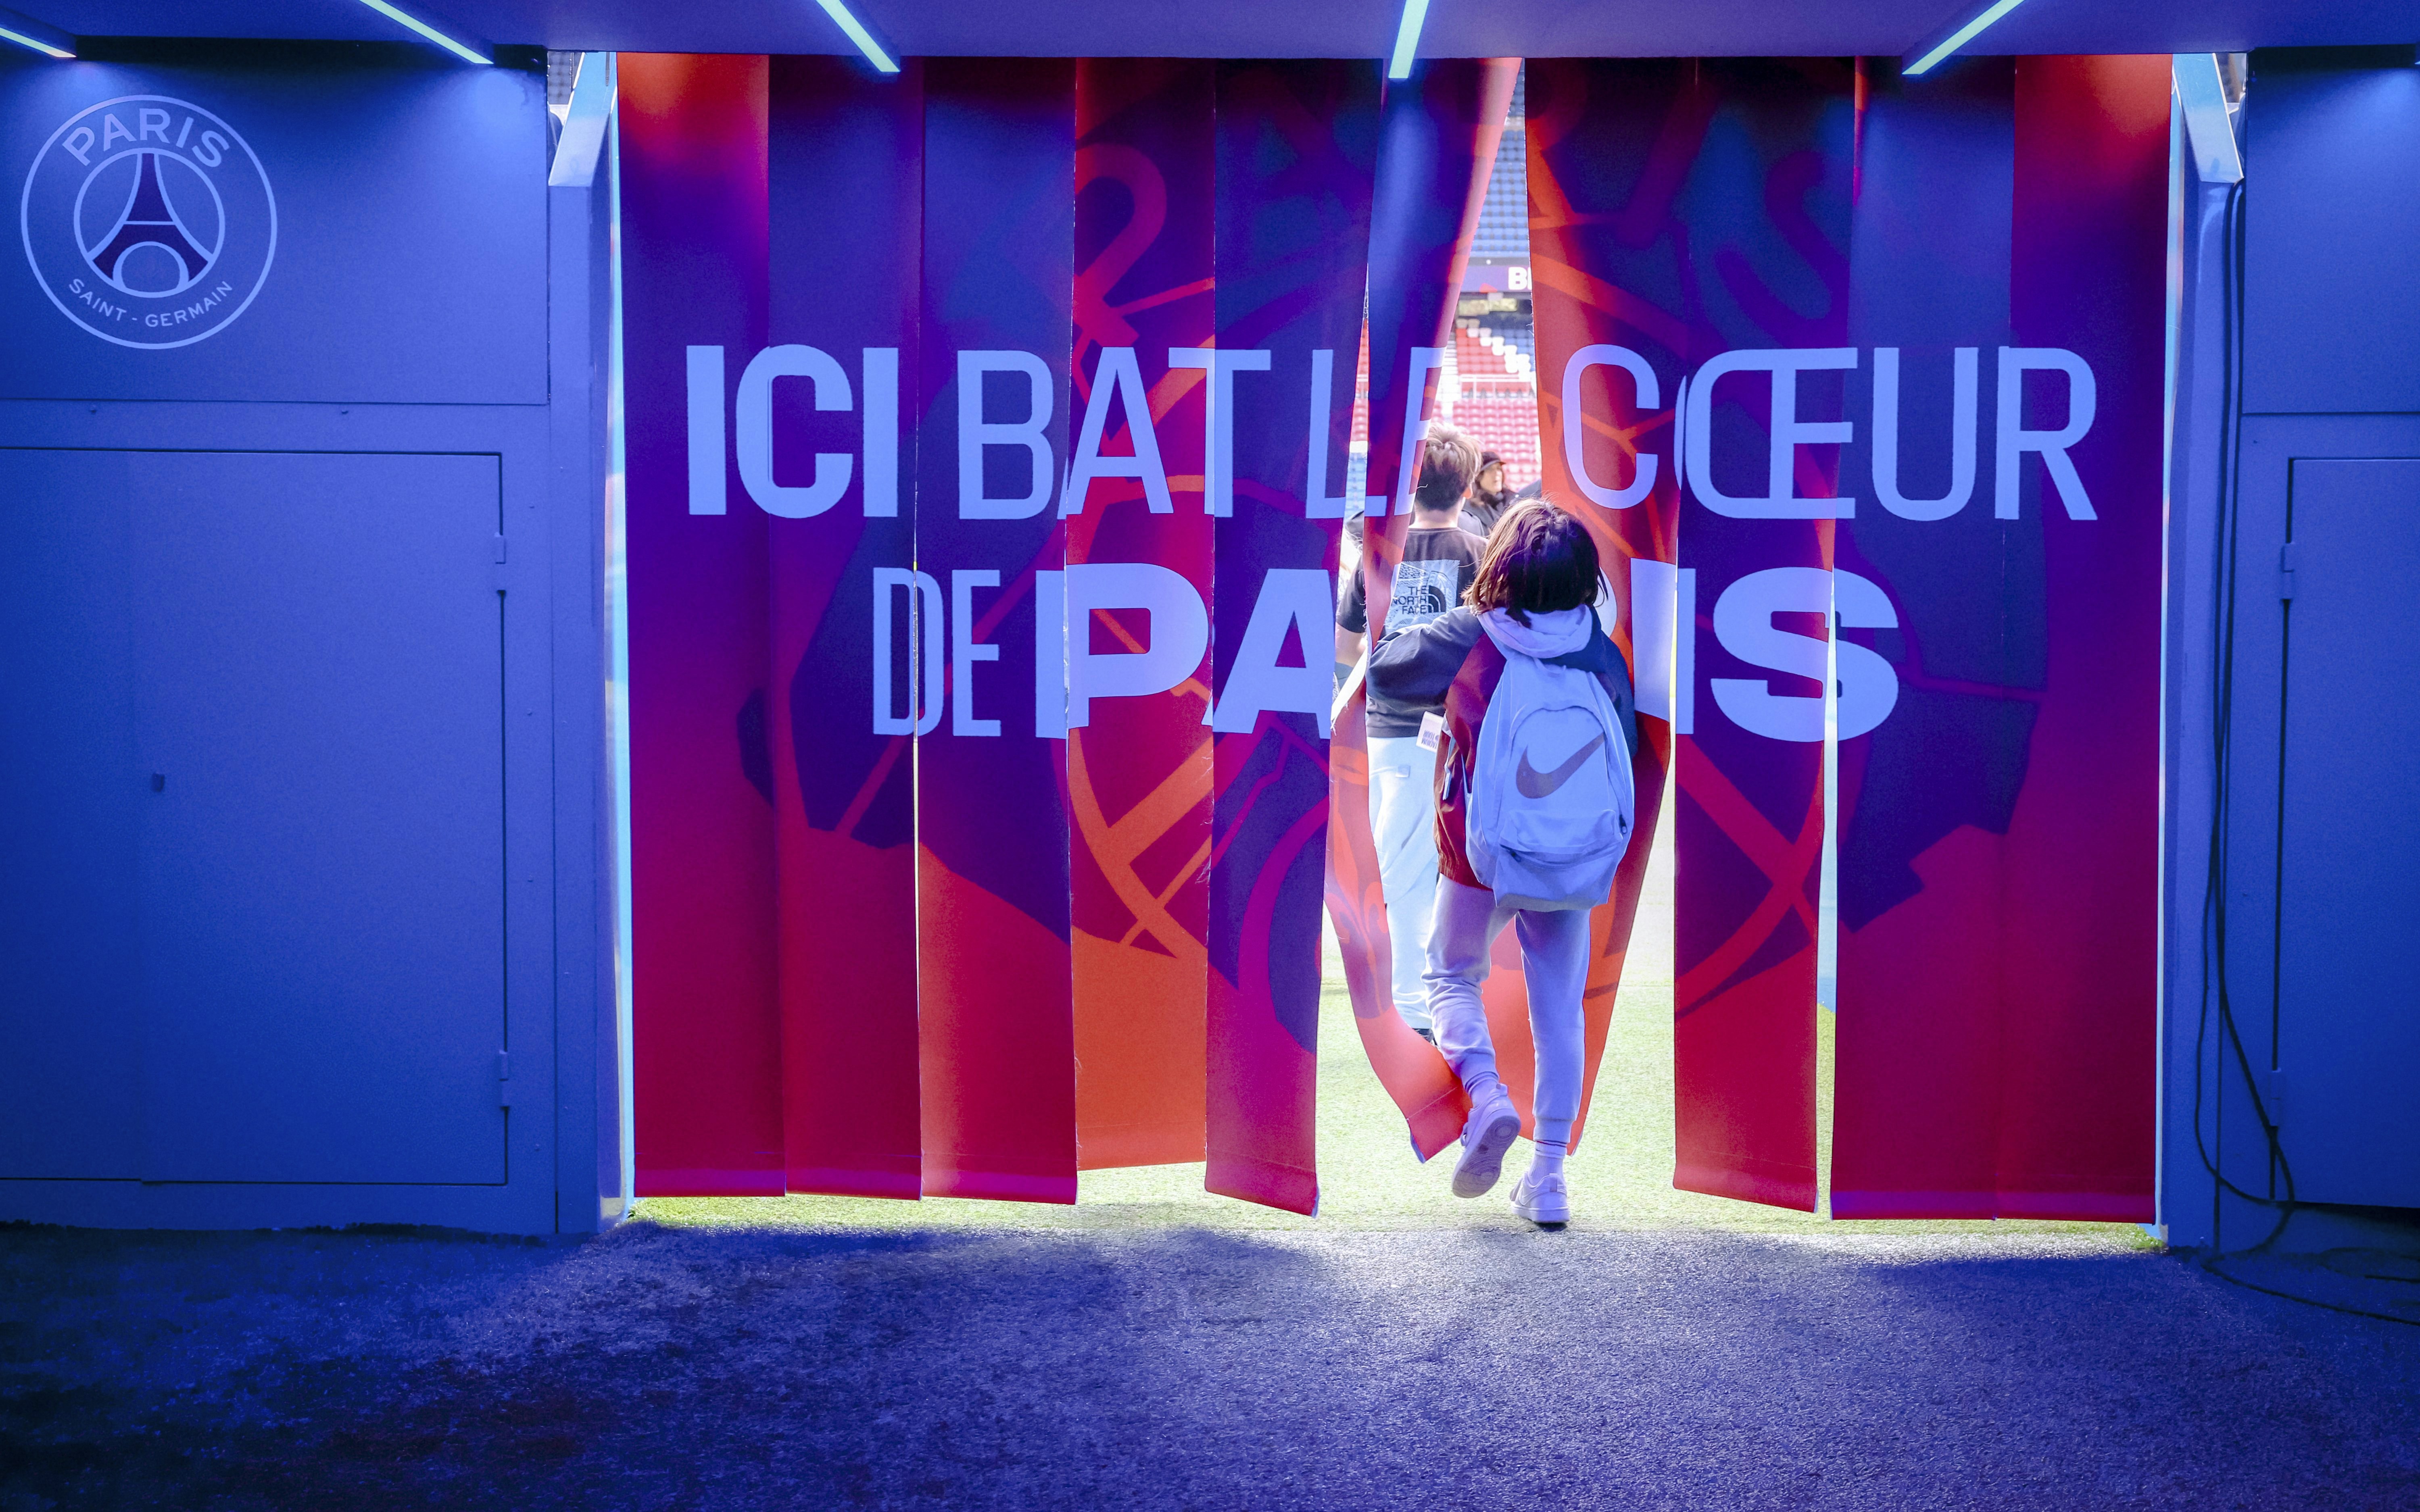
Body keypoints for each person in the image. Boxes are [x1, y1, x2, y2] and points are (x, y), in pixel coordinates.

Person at [1367, 502, 1637, 1226]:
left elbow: (1386, 674)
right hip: (1575, 861)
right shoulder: (1599, 649)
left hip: (1479, 858)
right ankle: (1548, 1178)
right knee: (1560, 1013)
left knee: (1450, 975)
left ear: (1504, 567)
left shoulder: (1473, 634)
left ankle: (1487, 1095)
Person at [1334, 419, 1486, 1041]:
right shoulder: (1480, 552)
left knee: (1403, 869)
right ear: (1468, 484)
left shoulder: (1378, 551)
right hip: (1453, 734)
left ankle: (1415, 1004)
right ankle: (1421, 1003)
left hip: (1388, 732)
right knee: (1434, 868)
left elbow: (1346, 646)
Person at [1458, 450, 1512, 539]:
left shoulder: (1513, 500)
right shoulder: (1469, 507)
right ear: (1479, 476)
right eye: (1490, 470)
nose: (1497, 474)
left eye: (1499, 469)